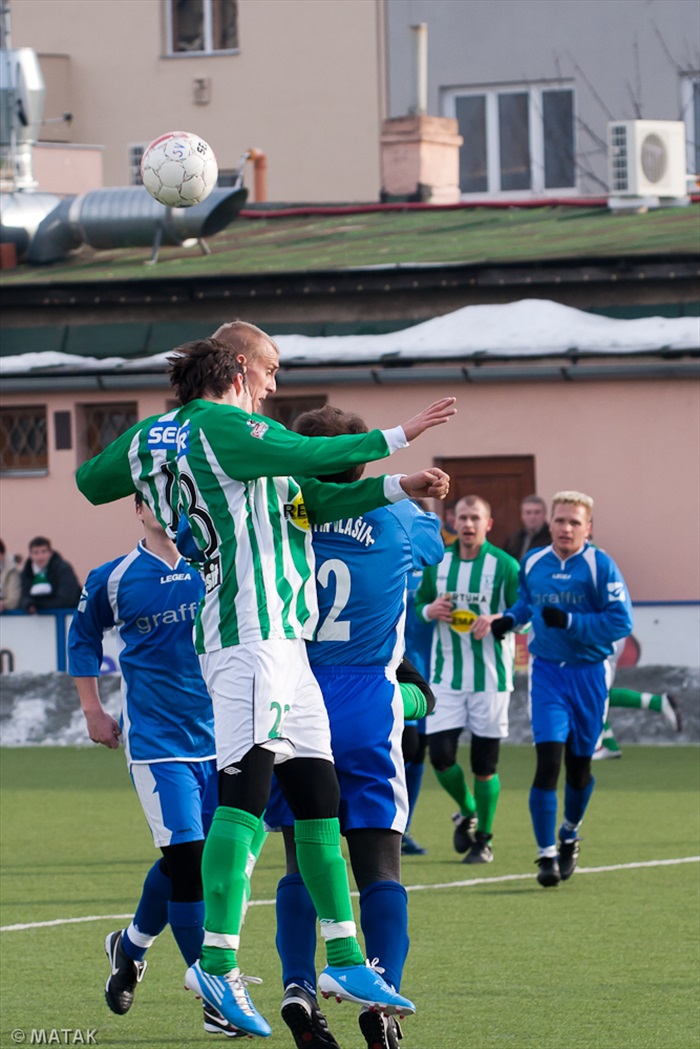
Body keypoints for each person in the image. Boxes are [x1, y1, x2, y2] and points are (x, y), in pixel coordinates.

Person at [75, 331, 456, 1036]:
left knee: (317, 798)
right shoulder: (224, 427)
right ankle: (216, 964)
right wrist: (403, 432)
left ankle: (342, 953)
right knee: (245, 798)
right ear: (242, 369)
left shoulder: (190, 444)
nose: (276, 388)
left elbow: (303, 498)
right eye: (273, 371)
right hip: (247, 637)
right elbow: (312, 454)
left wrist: (398, 484)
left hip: (286, 644)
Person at [263, 404, 444, 1049]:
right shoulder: (400, 519)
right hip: (367, 695)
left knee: (301, 860)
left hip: (293, 694)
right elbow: (431, 547)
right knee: (379, 865)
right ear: (366, 460)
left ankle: (297, 987)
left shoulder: (276, 512)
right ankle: (379, 998)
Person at [68, 494, 259, 1037]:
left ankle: (128, 948)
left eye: (174, 495)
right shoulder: (114, 577)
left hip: (224, 737)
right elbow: (81, 638)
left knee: (190, 864)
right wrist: (92, 709)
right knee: (192, 860)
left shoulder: (218, 565)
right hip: (158, 744)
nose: (163, 506)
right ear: (137, 511)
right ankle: (217, 996)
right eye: (151, 498)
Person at [490, 491, 633, 887]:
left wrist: (571, 622)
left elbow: (620, 622)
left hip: (588, 674)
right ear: (549, 523)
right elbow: (527, 604)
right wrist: (508, 619)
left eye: (574, 522)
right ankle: (545, 855)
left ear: (588, 528)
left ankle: (569, 833)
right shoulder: (533, 561)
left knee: (579, 767)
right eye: (560, 520)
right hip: (548, 673)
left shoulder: (600, 566)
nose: (565, 528)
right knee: (547, 762)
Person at [415, 495, 520, 865]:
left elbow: (523, 613)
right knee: (441, 756)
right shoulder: (438, 562)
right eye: (462, 517)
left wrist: (498, 620)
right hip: (445, 675)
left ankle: (484, 839)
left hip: (491, 678)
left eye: (476, 518)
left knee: (484, 764)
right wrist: (430, 609)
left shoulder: (505, 566)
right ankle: (468, 808)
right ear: (452, 521)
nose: (469, 524)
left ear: (488, 524)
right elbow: (417, 605)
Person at [593, 638, 682, 759]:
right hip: (607, 632)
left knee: (592, 693)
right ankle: (658, 702)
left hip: (601, 633)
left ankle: (605, 746)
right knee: (597, 693)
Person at [20, 536, 82, 613]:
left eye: (43, 552)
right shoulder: (27, 572)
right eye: (36, 553)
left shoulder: (63, 569)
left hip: (68, 615)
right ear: (31, 555)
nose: (40, 557)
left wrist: (39, 605)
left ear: (50, 553)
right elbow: (23, 595)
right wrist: (29, 604)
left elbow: (66, 599)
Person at [503, 495, 551, 562]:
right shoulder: (513, 539)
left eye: (537, 512)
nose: (532, 517)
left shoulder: (552, 539)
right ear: (522, 516)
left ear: (544, 514)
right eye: (528, 513)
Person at [0, 539, 22, 612]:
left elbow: (13, 600)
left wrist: (3, 604)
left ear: (2, 555)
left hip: (9, 618)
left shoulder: (11, 570)